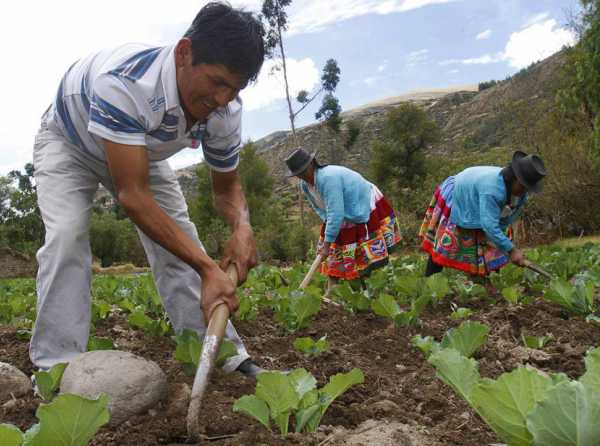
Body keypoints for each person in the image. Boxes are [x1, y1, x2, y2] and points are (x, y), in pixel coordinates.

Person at [30, 2, 265, 377]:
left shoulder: (225, 110)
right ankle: (56, 369)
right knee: (67, 236)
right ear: (184, 52)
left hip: (141, 149)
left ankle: (222, 358)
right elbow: (133, 196)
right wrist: (208, 268)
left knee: (179, 239)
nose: (222, 99)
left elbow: (226, 189)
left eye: (233, 89)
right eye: (217, 82)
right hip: (70, 143)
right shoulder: (125, 83)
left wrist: (243, 226)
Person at [285, 148, 402, 290]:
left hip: (362, 204)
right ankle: (331, 292)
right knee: (334, 254)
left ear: (312, 165)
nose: (302, 176)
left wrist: (327, 244)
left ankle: (372, 289)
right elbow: (318, 207)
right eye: (299, 174)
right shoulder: (305, 185)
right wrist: (329, 224)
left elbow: (336, 212)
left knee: (365, 254)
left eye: (304, 172)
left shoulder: (327, 178)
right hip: (341, 213)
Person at [419, 150, 546, 278]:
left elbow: (504, 221)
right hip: (459, 194)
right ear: (513, 178)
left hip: (478, 195)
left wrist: (507, 247)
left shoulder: (521, 194)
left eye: (528, 188)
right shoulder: (492, 190)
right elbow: (489, 226)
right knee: (445, 243)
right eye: (523, 186)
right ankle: (430, 281)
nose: (524, 191)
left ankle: (487, 281)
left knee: (494, 245)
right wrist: (512, 250)